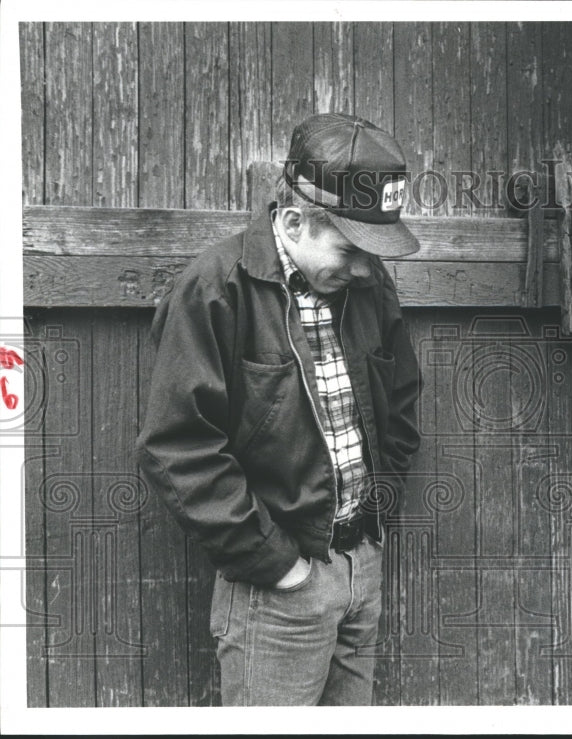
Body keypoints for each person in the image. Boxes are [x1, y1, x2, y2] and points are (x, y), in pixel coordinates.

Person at [136, 112, 422, 706]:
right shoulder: (216, 290)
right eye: (351, 248)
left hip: (359, 569)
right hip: (279, 588)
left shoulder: (368, 285)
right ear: (294, 221)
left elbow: (400, 401)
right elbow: (178, 447)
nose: (367, 267)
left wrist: (371, 527)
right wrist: (278, 563)